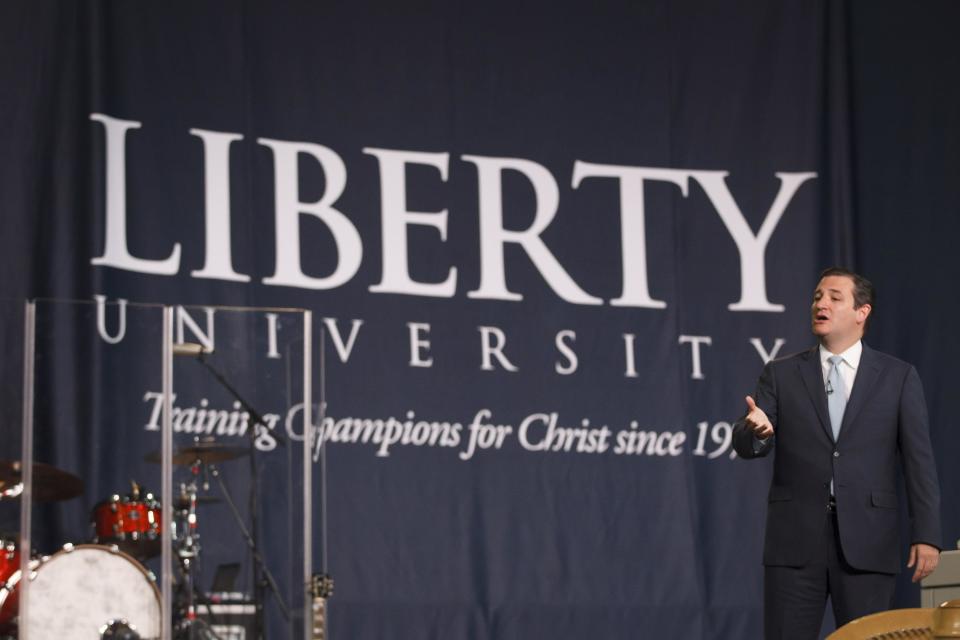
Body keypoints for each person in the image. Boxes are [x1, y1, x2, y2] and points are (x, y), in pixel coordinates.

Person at [733, 267, 942, 639]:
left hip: (869, 542)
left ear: (862, 312)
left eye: (834, 296)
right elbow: (749, 445)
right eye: (817, 296)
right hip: (795, 543)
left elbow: (919, 462)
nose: (821, 303)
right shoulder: (781, 374)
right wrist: (756, 431)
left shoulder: (898, 377)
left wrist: (926, 534)